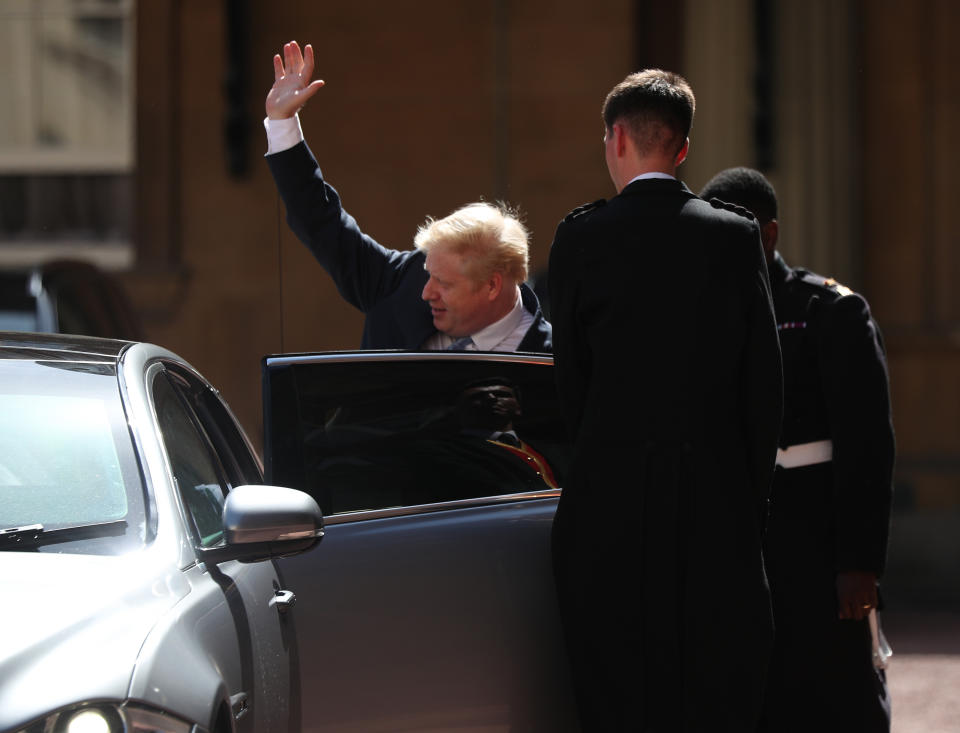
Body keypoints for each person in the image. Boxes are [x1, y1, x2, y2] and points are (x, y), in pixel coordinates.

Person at [547, 70, 783, 731]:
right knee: (716, 693)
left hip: (608, 508)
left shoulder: (581, 238)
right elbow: (764, 385)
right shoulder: (735, 238)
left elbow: (572, 384)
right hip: (716, 510)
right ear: (682, 150)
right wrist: (745, 499)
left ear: (616, 138)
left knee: (614, 693)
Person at [700, 167, 894, 732]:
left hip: (817, 535)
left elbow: (867, 444)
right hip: (741, 540)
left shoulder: (828, 310)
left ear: (768, 236)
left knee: (839, 694)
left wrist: (860, 563)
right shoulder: (708, 319)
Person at [263, 41, 551, 352]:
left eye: (445, 283)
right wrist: (282, 122)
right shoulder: (402, 282)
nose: (427, 292)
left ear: (493, 285)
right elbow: (320, 221)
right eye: (431, 275)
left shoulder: (549, 361)